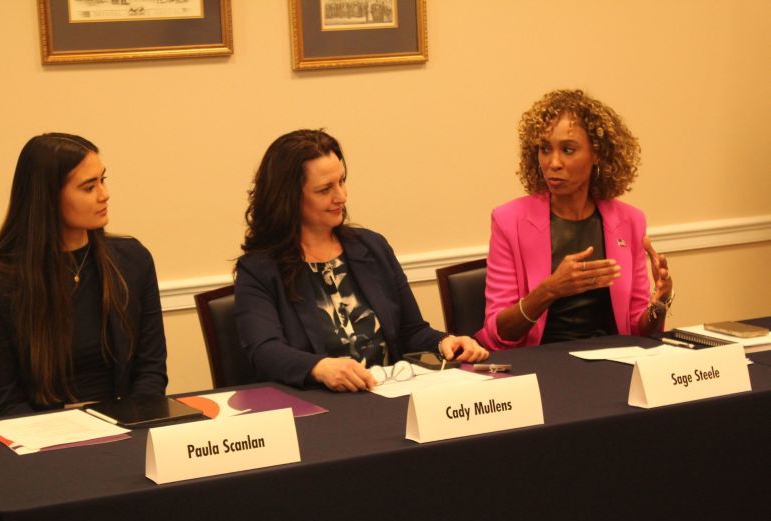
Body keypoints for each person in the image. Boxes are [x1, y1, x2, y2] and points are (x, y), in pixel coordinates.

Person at [235, 129, 489, 392]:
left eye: (342, 182)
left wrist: (446, 342)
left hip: (391, 395)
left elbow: (411, 332)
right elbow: (264, 352)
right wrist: (319, 367)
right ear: (289, 198)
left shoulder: (372, 247)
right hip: (319, 406)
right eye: (325, 190)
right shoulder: (259, 270)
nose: (341, 197)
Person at [0, 133, 168, 417]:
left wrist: (129, 426)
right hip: (42, 440)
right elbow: (3, 402)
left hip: (127, 428)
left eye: (103, 180)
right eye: (89, 187)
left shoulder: (133, 260)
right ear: (48, 198)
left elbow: (151, 372)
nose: (104, 194)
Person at [475, 89, 674, 350]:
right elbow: (499, 333)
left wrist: (660, 302)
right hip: (542, 365)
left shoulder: (630, 221)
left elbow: (638, 331)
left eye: (568, 150)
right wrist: (550, 290)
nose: (553, 163)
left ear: (598, 154)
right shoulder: (509, 220)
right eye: (545, 149)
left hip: (614, 361)